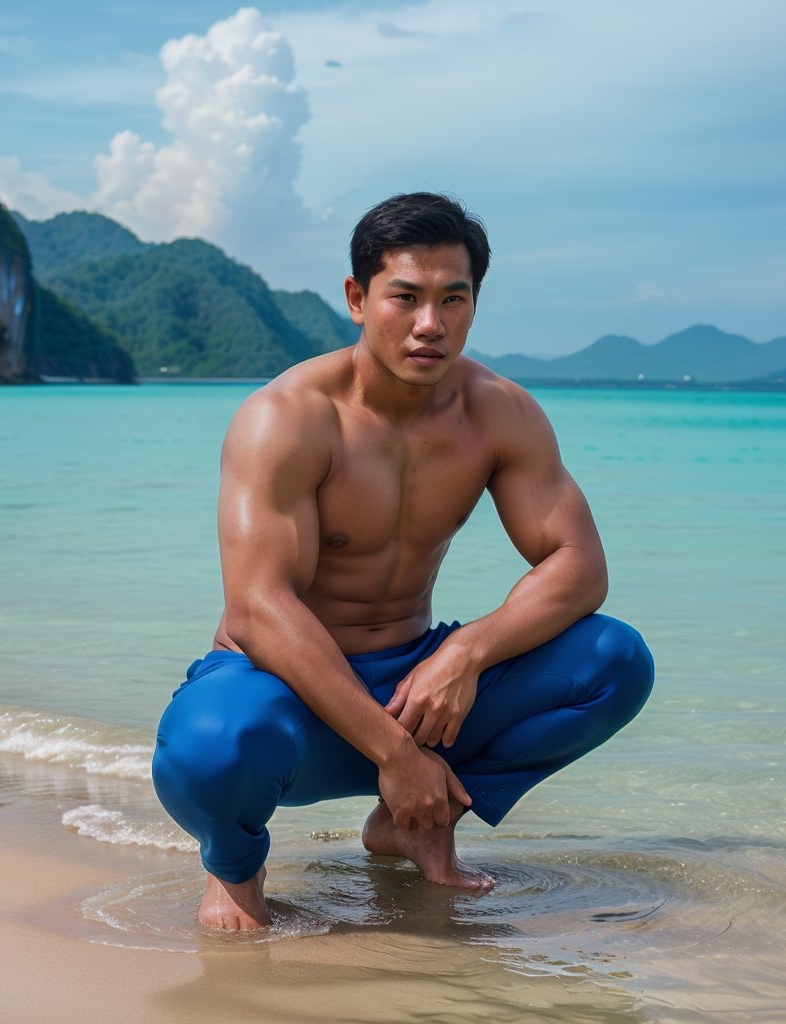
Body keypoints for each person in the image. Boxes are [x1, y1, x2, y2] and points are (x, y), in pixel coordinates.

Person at [152, 192, 654, 930]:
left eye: (454, 298)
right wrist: (395, 752)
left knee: (615, 660)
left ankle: (409, 822)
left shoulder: (499, 413)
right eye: (406, 298)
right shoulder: (288, 417)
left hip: (417, 687)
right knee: (210, 745)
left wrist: (465, 654)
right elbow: (260, 608)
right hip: (287, 695)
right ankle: (235, 870)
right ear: (357, 299)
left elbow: (579, 564)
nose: (431, 324)